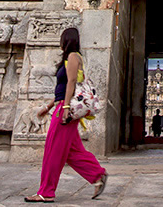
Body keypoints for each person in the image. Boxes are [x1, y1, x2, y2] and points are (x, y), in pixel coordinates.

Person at [26, 27, 109, 203]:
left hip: (66, 111)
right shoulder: (69, 58)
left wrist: (64, 109)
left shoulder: (73, 56)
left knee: (53, 150)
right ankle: (97, 174)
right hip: (62, 107)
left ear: (67, 40)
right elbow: (62, 89)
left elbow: (71, 83)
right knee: (72, 151)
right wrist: (48, 107)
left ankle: (46, 192)